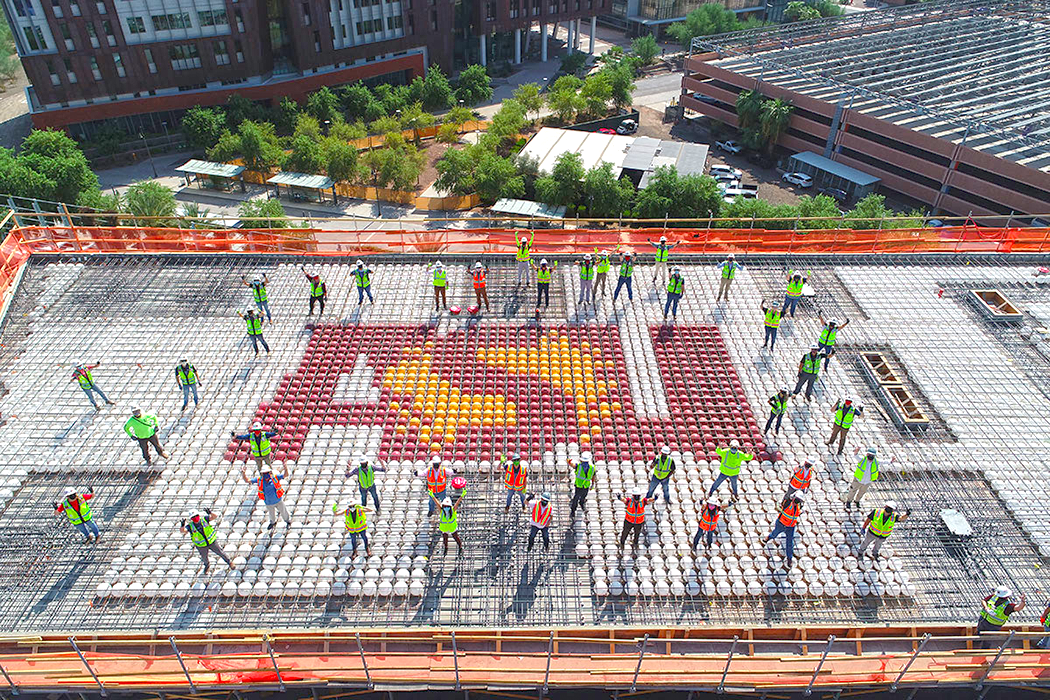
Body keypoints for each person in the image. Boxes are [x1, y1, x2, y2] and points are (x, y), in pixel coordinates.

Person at [181, 510, 236, 574]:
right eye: (193, 517)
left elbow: (214, 517)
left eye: (196, 516)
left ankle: (229, 562)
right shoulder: (190, 526)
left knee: (220, 552)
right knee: (204, 558)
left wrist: (210, 513)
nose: (195, 518)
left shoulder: (204, 520)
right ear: (191, 519)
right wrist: (182, 525)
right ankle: (207, 566)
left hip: (212, 542)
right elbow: (183, 531)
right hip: (201, 546)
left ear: (198, 515)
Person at [243, 463, 291, 529]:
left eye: (267, 472)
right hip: (268, 502)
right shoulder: (260, 480)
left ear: (270, 472)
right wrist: (243, 473)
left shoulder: (275, 478)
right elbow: (247, 480)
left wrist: (285, 468)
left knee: (283, 511)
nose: (266, 474)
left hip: (278, 500)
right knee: (271, 514)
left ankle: (287, 521)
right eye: (264, 473)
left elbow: (286, 475)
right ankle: (272, 522)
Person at [764, 492, 804, 568]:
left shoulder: (798, 506)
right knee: (775, 534)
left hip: (791, 527)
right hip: (781, 524)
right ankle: (769, 537)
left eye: (798, 501)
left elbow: (797, 513)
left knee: (789, 542)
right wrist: (791, 501)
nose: (797, 502)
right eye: (796, 500)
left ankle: (789, 558)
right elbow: (784, 506)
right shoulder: (788, 502)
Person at [431, 490, 466, 555]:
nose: (446, 507)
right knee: (445, 539)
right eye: (445, 506)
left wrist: (462, 495)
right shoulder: (441, 511)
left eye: (447, 506)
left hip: (452, 527)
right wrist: (433, 496)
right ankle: (446, 548)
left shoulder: (453, 510)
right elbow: (437, 503)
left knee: (456, 538)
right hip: (445, 528)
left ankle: (460, 547)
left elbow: (457, 503)